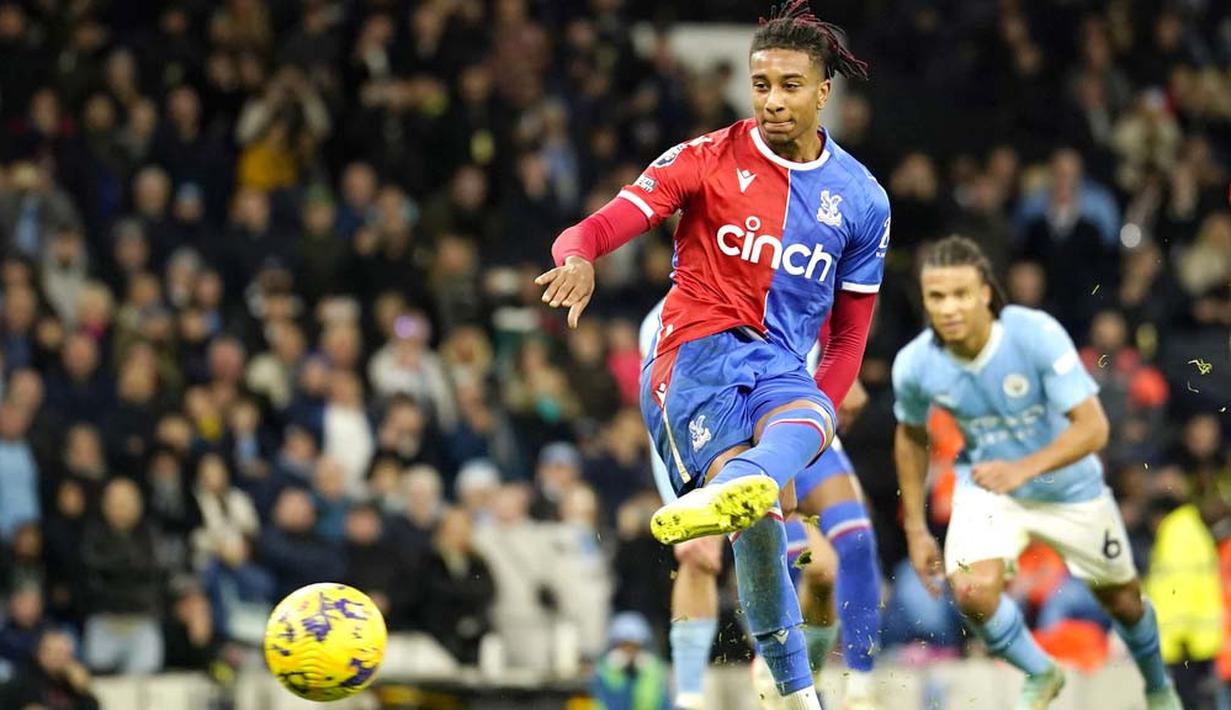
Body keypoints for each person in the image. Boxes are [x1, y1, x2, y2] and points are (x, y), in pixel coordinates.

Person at [538, 3, 889, 705]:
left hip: (783, 365)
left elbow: (849, 336)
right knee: (756, 526)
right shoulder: (702, 159)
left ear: (824, 91)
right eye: (760, 85)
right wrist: (577, 256)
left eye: (789, 85)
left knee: (782, 475)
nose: (772, 101)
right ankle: (744, 689)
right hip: (694, 360)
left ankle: (798, 697)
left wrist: (820, 402)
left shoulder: (861, 199)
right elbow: (602, 222)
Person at [891, 236, 1182, 710]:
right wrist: (916, 527)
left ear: (986, 292)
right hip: (990, 486)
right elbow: (909, 436)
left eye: (960, 294)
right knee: (970, 590)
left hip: (1067, 486)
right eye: (936, 297)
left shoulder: (1033, 334)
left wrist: (1022, 468)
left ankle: (1157, 685)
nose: (948, 308)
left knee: (1124, 599)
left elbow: (1093, 428)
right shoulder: (917, 363)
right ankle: (1040, 671)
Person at [639, 300, 881, 709]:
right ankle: (692, 698)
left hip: (795, 432)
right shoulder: (662, 320)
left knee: (838, 559)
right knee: (701, 558)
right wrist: (678, 496)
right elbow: (660, 420)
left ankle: (847, 686)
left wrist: (843, 364)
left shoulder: (784, 273)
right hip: (729, 444)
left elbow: (835, 329)